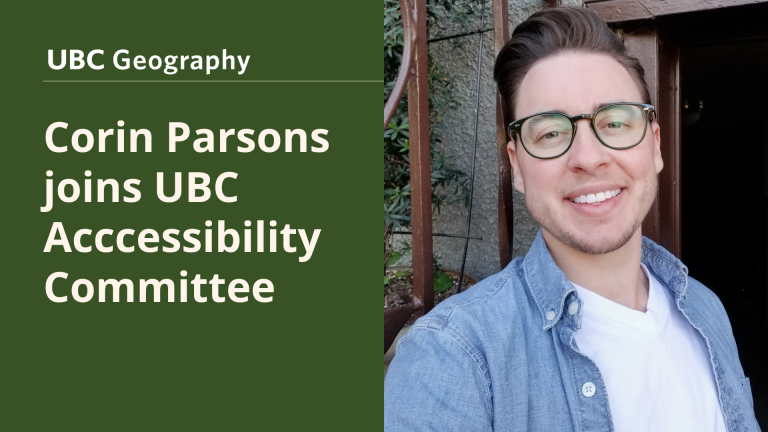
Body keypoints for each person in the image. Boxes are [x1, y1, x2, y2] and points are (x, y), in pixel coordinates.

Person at [384, 6, 760, 431]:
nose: (588, 158)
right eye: (550, 133)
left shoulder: (706, 312)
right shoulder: (453, 359)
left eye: (615, 121)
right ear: (518, 166)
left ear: (654, 146)